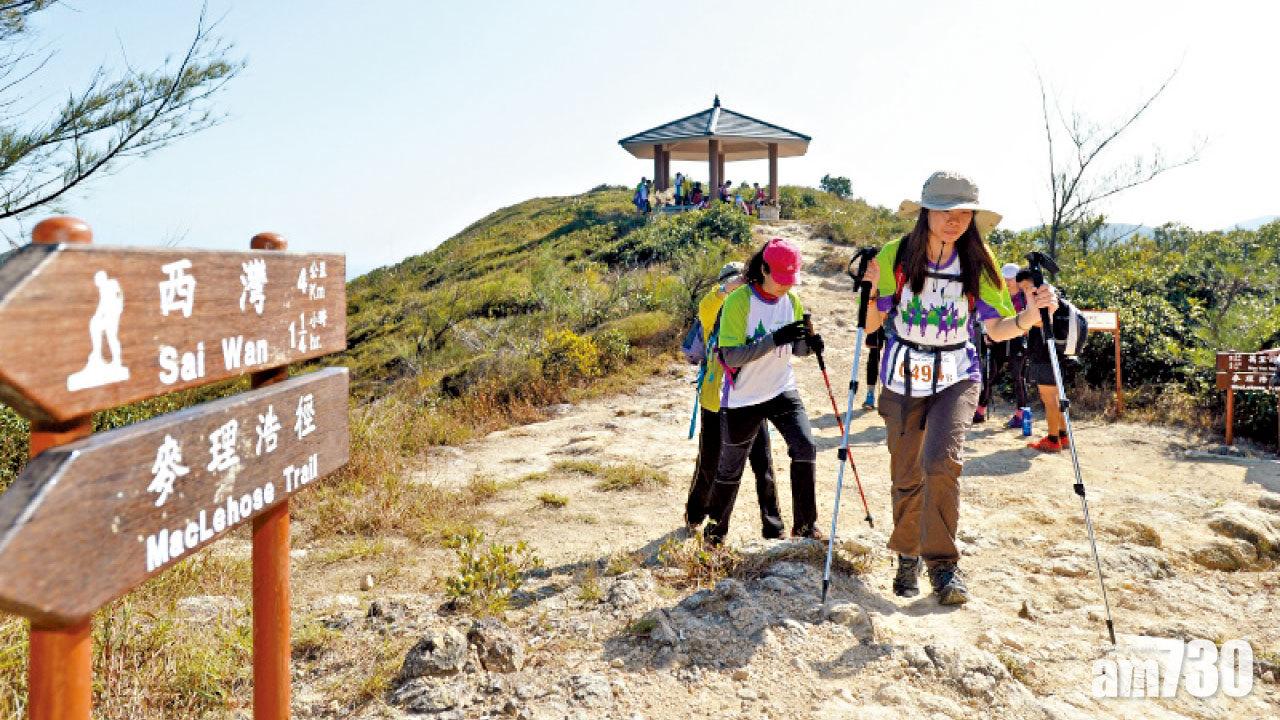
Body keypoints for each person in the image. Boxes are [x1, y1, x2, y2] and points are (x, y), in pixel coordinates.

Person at [861, 171, 1056, 604]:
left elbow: (996, 328)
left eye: (965, 212)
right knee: (907, 471)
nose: (956, 220)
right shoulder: (898, 255)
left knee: (941, 462)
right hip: (902, 375)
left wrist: (1030, 317)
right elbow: (873, 324)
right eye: (947, 211)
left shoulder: (978, 260)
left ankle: (943, 565)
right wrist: (870, 293)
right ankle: (906, 553)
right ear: (926, 211)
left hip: (957, 374)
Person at [703, 238, 825, 544]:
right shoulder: (739, 301)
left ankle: (806, 528)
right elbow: (730, 355)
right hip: (744, 397)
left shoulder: (792, 302)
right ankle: (714, 535)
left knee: (805, 448)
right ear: (763, 269)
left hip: (782, 389)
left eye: (790, 281)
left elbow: (796, 349)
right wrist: (774, 339)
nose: (786, 287)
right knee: (730, 468)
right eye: (781, 280)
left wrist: (810, 346)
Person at [685, 262, 784, 539]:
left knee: (762, 463)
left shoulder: (750, 309)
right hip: (716, 399)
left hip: (752, 397)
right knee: (709, 462)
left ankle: (773, 526)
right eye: (732, 284)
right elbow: (708, 304)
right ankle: (695, 514)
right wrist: (728, 288)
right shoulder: (712, 312)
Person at [1017, 270, 1072, 453]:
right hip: (1058, 354)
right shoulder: (1056, 297)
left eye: (1026, 287)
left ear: (1035, 282)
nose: (1024, 291)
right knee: (1057, 397)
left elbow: (1040, 322)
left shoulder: (1041, 300)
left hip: (1044, 356)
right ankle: (1063, 435)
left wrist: (1024, 320)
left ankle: (1052, 439)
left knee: (1050, 400)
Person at [978, 263, 1031, 428]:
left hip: (1018, 340)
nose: (1007, 283)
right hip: (999, 338)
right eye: (1004, 279)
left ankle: (1021, 414)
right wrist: (987, 334)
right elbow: (986, 317)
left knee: (1018, 376)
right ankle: (980, 411)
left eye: (1011, 279)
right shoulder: (998, 296)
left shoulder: (1026, 297)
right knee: (990, 375)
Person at [862, 328, 886, 409]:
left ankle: (892, 396)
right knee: (874, 352)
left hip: (896, 319)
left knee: (894, 354)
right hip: (878, 319)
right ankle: (870, 395)